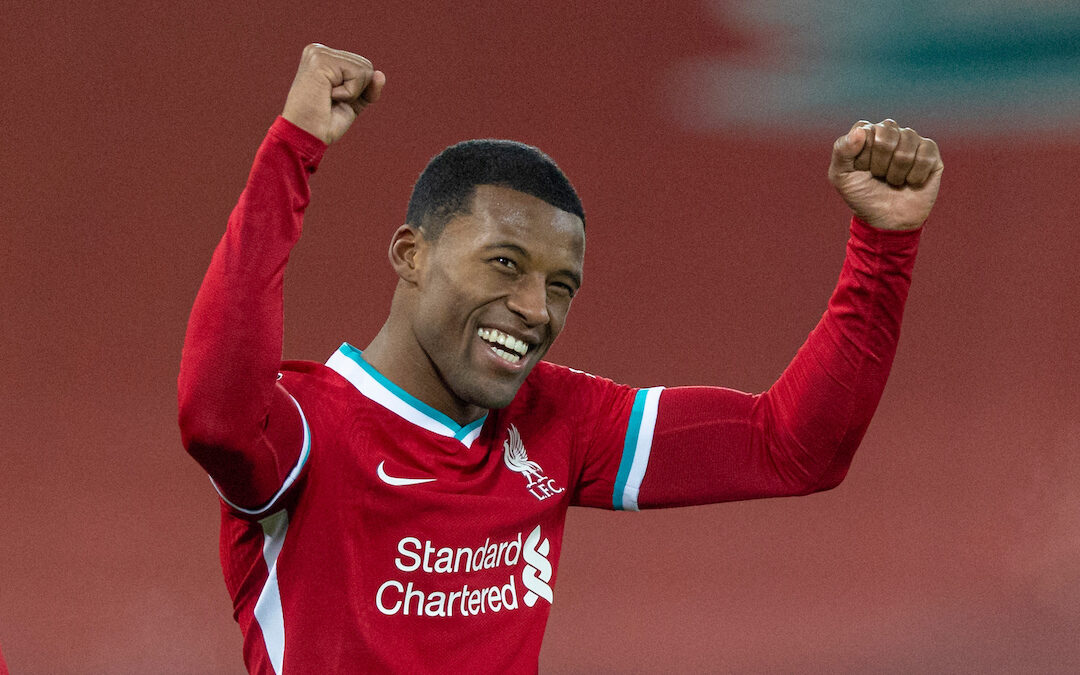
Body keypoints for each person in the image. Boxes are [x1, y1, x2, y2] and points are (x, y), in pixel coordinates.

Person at [177, 44, 942, 674]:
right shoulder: (307, 431)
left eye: (561, 285)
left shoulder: (559, 419)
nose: (538, 309)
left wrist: (883, 247)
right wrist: (293, 149)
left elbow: (791, 447)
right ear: (412, 255)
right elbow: (215, 416)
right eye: (505, 264)